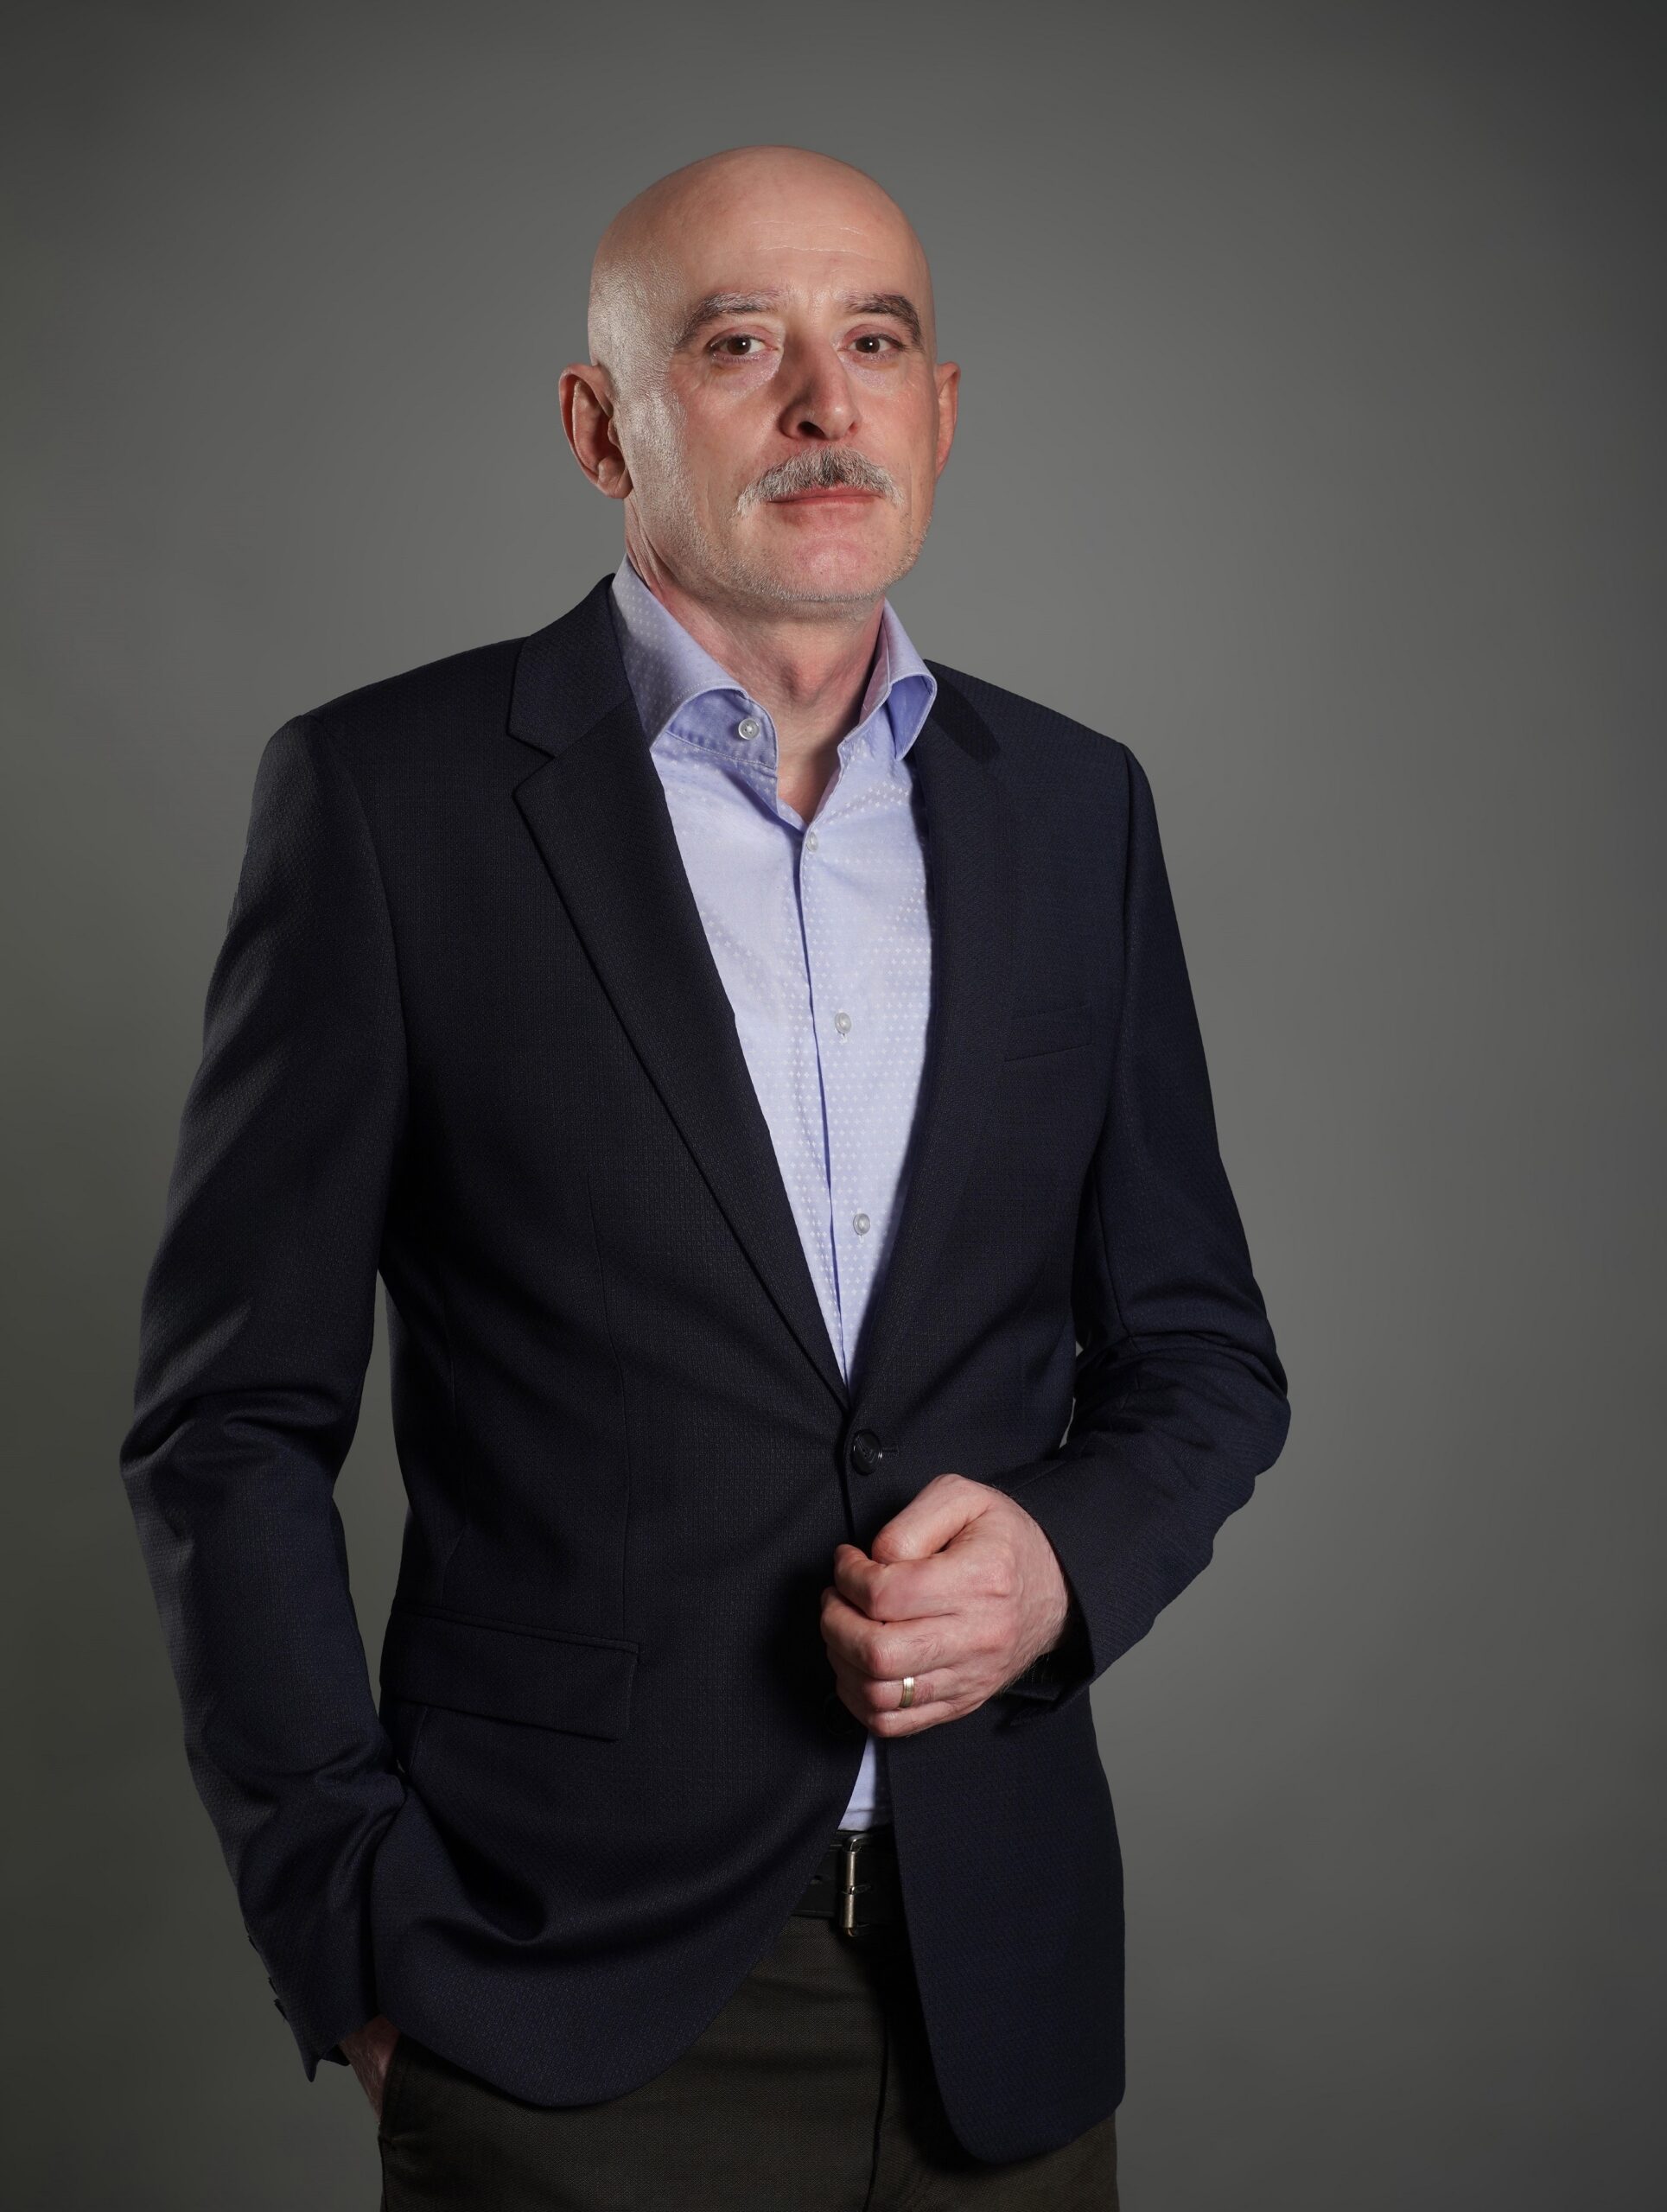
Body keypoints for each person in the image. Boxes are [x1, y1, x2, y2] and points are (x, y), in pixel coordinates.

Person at [119, 143, 1291, 2209]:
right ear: (602, 428)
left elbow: (1198, 1353)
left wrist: (1058, 1558)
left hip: (999, 2003)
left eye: (876, 343)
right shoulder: (388, 802)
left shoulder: (1073, 809)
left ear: (942, 409)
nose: (827, 403)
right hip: (553, 2001)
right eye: (741, 346)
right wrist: (353, 1927)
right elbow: (229, 1423)